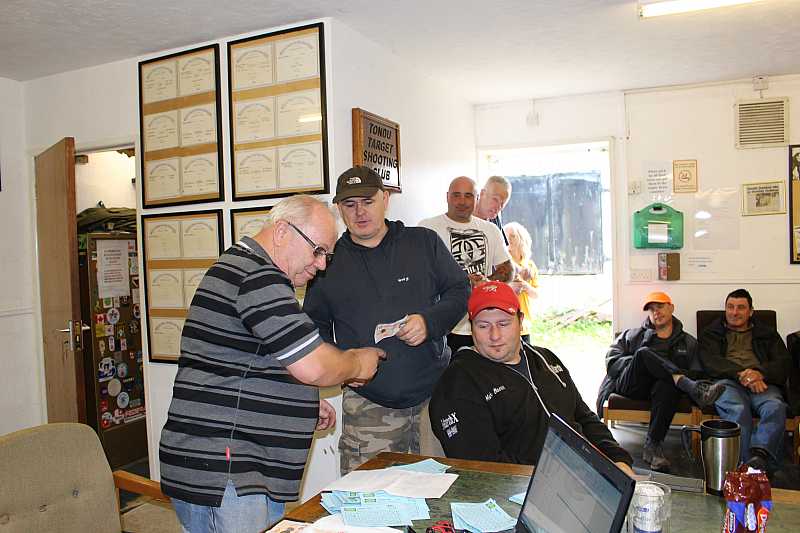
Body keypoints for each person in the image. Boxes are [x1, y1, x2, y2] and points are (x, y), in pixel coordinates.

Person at [159, 195, 385, 533]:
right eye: (317, 250)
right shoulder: (256, 276)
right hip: (227, 470)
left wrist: (300, 403)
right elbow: (314, 366)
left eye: (326, 254)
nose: (321, 265)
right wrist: (357, 362)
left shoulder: (246, 270)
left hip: (234, 467)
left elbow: (246, 360)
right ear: (281, 232)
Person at [303, 166, 469, 474]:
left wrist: (429, 322)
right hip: (368, 408)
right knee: (367, 497)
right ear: (339, 208)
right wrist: (342, 365)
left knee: (439, 495)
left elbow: (460, 290)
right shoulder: (327, 261)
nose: (360, 212)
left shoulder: (423, 243)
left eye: (368, 201)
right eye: (350, 204)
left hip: (434, 401)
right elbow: (314, 328)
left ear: (385, 199)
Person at [429, 281, 634, 475]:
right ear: (471, 327)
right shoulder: (460, 382)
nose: (495, 335)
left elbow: (583, 416)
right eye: (483, 326)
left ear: (520, 321)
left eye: (503, 324)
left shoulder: (546, 359)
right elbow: (483, 467)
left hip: (584, 473)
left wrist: (617, 459)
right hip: (527, 487)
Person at [596, 291, 724, 472]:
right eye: (652, 309)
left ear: (671, 308)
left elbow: (696, 372)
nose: (656, 312)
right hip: (631, 385)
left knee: (667, 385)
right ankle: (689, 386)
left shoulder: (688, 342)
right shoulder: (632, 335)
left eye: (660, 307)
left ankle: (653, 447)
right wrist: (638, 362)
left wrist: (665, 372)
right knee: (643, 354)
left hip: (661, 391)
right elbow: (612, 361)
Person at [699, 288, 791, 471]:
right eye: (730, 307)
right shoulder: (711, 333)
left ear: (751, 311)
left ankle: (760, 455)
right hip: (727, 382)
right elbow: (711, 363)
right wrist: (743, 374)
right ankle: (746, 466)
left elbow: (783, 362)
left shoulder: (768, 334)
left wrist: (759, 373)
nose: (734, 312)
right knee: (738, 410)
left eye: (740, 307)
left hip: (761, 383)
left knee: (775, 406)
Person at [419, 176, 514, 353]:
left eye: (468, 196)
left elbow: (508, 270)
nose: (462, 201)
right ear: (447, 197)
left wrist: (487, 282)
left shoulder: (491, 230)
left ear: (477, 198)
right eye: (456, 195)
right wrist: (460, 283)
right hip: (443, 326)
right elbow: (418, 275)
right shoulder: (426, 229)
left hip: (482, 324)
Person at [503, 221, 539, 343]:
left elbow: (536, 294)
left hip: (524, 324)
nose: (509, 240)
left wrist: (525, 286)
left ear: (522, 239)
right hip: (506, 321)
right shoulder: (502, 265)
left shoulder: (529, 266)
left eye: (513, 236)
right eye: (506, 236)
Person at [474, 175, 512, 245]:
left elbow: (502, 249)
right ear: (482, 193)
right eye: (495, 199)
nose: (498, 207)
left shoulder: (494, 220)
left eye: (502, 203)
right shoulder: (463, 216)